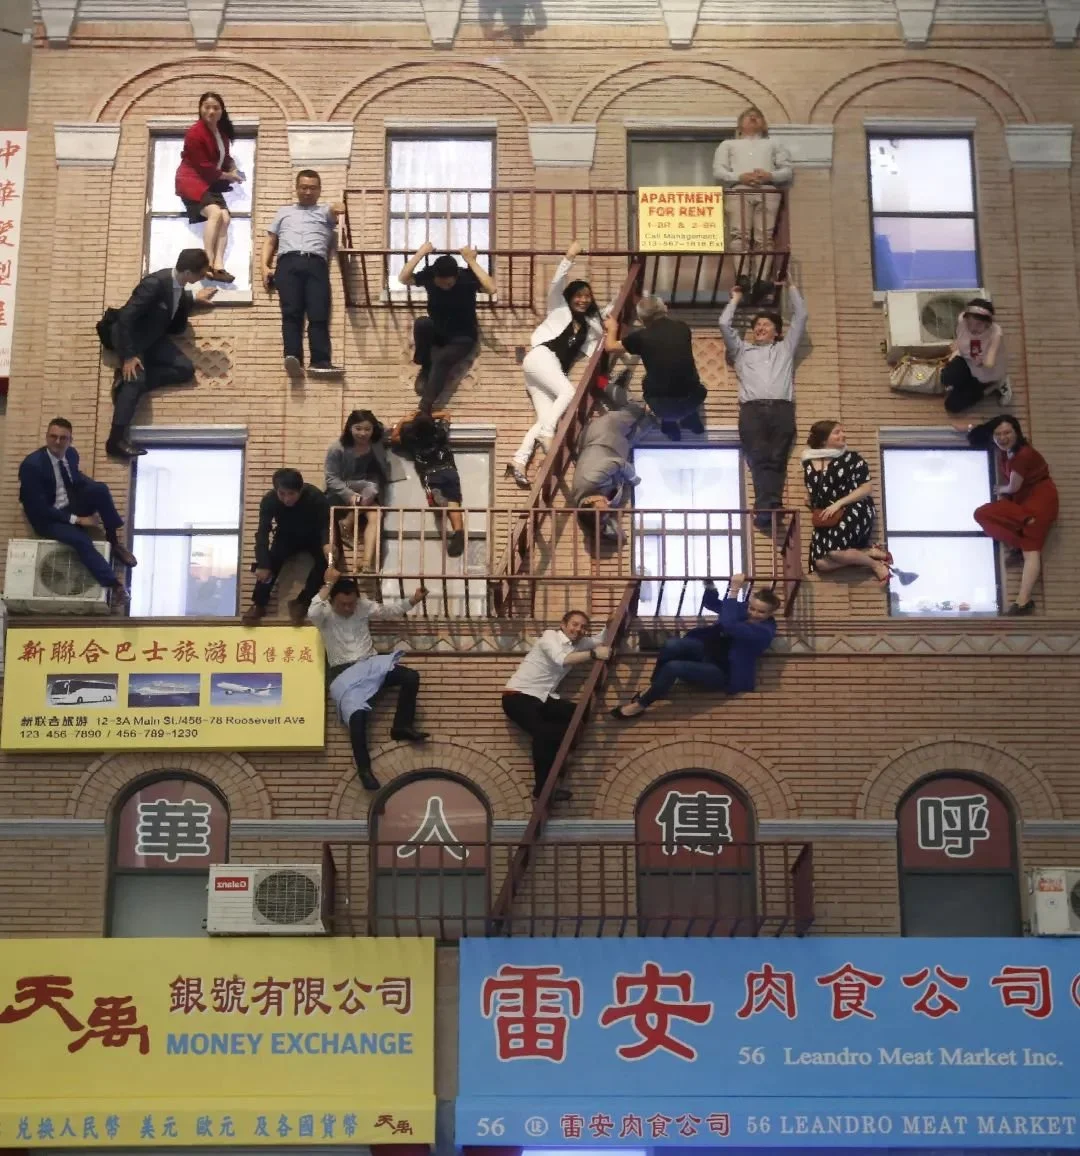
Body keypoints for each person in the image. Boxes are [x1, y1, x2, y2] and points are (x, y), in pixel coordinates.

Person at [309, 567, 428, 790]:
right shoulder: (323, 613)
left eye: (352, 603)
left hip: (369, 664)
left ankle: (401, 726)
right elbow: (312, 611)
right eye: (343, 604)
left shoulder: (362, 606)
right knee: (358, 718)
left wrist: (413, 600)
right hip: (343, 673)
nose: (348, 608)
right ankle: (364, 770)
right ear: (333, 600)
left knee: (410, 677)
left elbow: (389, 611)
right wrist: (328, 584)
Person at [506, 241, 607, 487]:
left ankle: (519, 458)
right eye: (578, 296)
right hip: (540, 356)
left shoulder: (587, 330)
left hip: (543, 370)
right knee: (568, 393)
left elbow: (596, 348)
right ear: (570, 298)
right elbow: (556, 284)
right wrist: (569, 258)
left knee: (544, 418)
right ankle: (548, 433)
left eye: (587, 297)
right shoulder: (558, 309)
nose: (583, 300)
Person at [102, 248, 216, 459]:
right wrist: (128, 356)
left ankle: (126, 383)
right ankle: (115, 441)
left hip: (152, 338)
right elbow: (126, 317)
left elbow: (175, 302)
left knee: (185, 369)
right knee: (136, 380)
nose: (203, 277)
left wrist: (193, 300)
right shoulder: (155, 283)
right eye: (201, 273)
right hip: (132, 338)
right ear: (189, 273)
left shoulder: (179, 285)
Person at [610, 575, 778, 719]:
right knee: (671, 645)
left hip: (722, 670)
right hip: (707, 650)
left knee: (673, 667)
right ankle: (656, 686)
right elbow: (713, 605)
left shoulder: (764, 632)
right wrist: (709, 585)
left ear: (770, 614)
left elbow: (729, 625)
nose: (753, 613)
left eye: (761, 612)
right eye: (752, 608)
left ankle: (640, 704)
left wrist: (734, 590)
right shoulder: (744, 610)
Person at [719, 276, 807, 531]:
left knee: (777, 459)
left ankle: (770, 507)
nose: (760, 328)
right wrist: (735, 299)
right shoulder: (741, 350)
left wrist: (791, 287)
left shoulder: (785, 349)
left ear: (777, 331)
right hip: (752, 410)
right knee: (758, 459)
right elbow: (724, 323)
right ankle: (767, 507)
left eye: (766, 324)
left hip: (782, 409)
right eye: (757, 325)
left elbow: (801, 316)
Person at [18, 418, 136, 605]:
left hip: (69, 503)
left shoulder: (71, 454)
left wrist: (93, 487)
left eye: (63, 438)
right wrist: (79, 520)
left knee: (101, 489)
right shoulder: (32, 466)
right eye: (53, 437)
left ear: (70, 440)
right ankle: (115, 586)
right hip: (47, 518)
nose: (57, 442)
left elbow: (75, 478)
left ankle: (114, 543)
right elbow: (38, 508)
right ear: (47, 437)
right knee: (81, 540)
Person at [502, 610, 611, 803]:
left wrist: (609, 621)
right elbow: (561, 659)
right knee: (544, 734)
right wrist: (594, 654)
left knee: (578, 714)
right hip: (518, 696)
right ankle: (542, 791)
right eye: (574, 624)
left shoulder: (580, 643)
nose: (578, 630)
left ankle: (556, 756)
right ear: (563, 624)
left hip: (543, 699)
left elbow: (600, 639)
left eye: (583, 626)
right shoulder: (549, 636)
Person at [956, 414, 1058, 616]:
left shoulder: (1022, 455)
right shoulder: (1006, 450)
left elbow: (1013, 486)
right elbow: (984, 431)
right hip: (1023, 502)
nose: (1003, 438)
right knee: (983, 515)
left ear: (1017, 433)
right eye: (998, 434)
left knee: (1031, 549)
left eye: (1007, 433)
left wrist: (1000, 489)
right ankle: (1021, 535)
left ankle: (1023, 601)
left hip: (1039, 502)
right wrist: (968, 428)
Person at [801, 419, 914, 586]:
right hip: (827, 515)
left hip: (854, 508)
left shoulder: (853, 459)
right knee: (821, 564)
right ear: (824, 439)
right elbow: (812, 488)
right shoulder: (808, 462)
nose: (843, 435)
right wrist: (811, 501)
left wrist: (838, 503)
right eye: (837, 432)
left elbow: (866, 488)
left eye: (842, 431)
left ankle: (876, 565)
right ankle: (870, 552)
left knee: (834, 552)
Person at [262, 170, 346, 380]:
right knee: (291, 313)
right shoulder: (283, 212)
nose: (308, 192)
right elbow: (271, 240)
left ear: (319, 190)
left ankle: (320, 361)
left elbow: (338, 211)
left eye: (312, 188)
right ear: (297, 188)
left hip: (316, 263)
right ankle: (293, 358)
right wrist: (263, 266)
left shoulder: (325, 211)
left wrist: (338, 207)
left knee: (319, 312)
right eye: (303, 187)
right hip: (287, 263)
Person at [397, 243, 496, 412]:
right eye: (441, 284)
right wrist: (420, 253)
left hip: (462, 337)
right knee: (422, 322)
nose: (445, 287)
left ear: (455, 277)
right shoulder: (429, 276)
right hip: (438, 332)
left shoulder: (466, 278)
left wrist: (470, 260)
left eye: (449, 284)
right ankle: (425, 365)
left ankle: (424, 408)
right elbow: (403, 278)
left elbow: (491, 288)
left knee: (442, 359)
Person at [603, 296, 706, 441]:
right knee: (687, 381)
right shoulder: (682, 327)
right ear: (665, 310)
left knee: (648, 380)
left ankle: (670, 426)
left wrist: (612, 327)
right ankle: (691, 421)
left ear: (641, 319)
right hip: (693, 399)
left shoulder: (641, 337)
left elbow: (610, 346)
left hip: (663, 408)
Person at [243, 468, 332, 626]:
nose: (286, 499)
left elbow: (326, 525)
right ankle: (259, 604)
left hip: (313, 536)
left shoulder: (315, 496)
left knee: (326, 564)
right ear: (276, 490)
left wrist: (326, 544)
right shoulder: (269, 500)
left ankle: (302, 602)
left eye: (291, 494)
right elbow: (263, 532)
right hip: (285, 536)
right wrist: (263, 564)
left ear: (301, 489)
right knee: (269, 562)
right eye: (282, 494)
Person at [568, 388, 654, 544]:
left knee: (639, 406)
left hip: (604, 434)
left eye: (603, 505)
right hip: (621, 446)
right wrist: (600, 531)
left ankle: (604, 382)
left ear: (589, 501)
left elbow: (617, 463)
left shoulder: (588, 481)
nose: (608, 503)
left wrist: (634, 479)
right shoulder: (594, 512)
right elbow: (618, 534)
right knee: (652, 420)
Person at [174, 91, 244, 283]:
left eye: (216, 108)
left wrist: (233, 169)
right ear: (200, 109)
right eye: (207, 107)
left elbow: (225, 158)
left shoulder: (221, 134)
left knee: (225, 218)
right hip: (191, 180)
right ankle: (207, 263)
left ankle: (218, 266)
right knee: (215, 213)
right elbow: (203, 166)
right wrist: (228, 176)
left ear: (222, 111)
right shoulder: (195, 133)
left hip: (208, 183)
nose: (211, 111)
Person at [712, 106, 793, 251]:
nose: (753, 118)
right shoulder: (729, 144)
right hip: (738, 190)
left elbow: (787, 170)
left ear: (764, 124)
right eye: (748, 116)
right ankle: (742, 273)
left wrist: (770, 175)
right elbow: (718, 171)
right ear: (740, 124)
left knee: (765, 237)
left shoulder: (773, 144)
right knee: (739, 235)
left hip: (767, 190)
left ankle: (762, 274)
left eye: (757, 116)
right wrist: (739, 177)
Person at [390, 409, 466, 558]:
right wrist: (426, 416)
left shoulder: (411, 439)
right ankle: (458, 532)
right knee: (454, 502)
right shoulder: (440, 433)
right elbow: (447, 414)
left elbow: (394, 437)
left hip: (430, 474)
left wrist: (404, 420)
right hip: (449, 471)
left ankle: (438, 504)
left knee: (435, 505)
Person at [325, 409, 391, 574]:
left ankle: (366, 562)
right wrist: (350, 495)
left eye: (367, 429)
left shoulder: (375, 442)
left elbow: (390, 430)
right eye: (358, 428)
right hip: (344, 487)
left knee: (376, 513)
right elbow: (331, 478)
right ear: (350, 428)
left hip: (366, 488)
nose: (363, 433)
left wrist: (406, 421)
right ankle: (348, 521)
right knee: (371, 489)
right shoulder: (337, 448)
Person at [942, 298, 1011, 414]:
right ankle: (964, 382)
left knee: (952, 405)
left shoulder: (995, 333)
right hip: (967, 359)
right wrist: (957, 346)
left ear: (988, 323)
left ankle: (997, 383)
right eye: (970, 323)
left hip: (985, 371)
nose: (973, 328)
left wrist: (982, 362)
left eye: (979, 324)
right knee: (946, 377)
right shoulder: (962, 319)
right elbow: (961, 335)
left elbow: (990, 361)